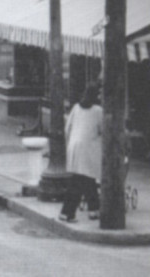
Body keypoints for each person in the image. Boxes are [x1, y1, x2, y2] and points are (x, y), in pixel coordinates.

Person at [59, 85, 103, 223]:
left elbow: (67, 128)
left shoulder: (76, 108)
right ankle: (67, 212)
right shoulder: (98, 111)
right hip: (88, 148)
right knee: (79, 181)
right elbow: (103, 130)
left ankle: (94, 210)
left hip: (74, 146)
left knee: (87, 179)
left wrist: (69, 143)